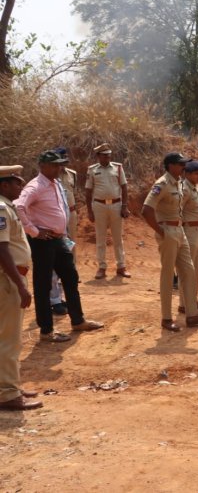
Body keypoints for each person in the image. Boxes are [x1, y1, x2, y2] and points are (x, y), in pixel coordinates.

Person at [16, 150, 103, 342]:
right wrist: (34, 231)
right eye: (55, 165)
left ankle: (78, 321)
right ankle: (46, 330)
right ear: (43, 166)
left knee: (71, 278)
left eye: (60, 164)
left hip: (58, 239)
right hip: (42, 241)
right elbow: (18, 206)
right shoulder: (36, 186)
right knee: (43, 284)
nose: (59, 168)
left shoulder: (55, 183)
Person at [142, 153, 198, 331]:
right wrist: (161, 231)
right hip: (168, 231)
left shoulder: (179, 183)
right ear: (170, 165)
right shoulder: (162, 184)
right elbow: (146, 210)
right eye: (180, 164)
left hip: (180, 231)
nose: (183, 167)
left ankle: (191, 314)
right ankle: (166, 319)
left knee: (188, 271)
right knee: (167, 275)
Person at [0, 165, 43, 410]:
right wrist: (20, 285)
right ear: (4, 184)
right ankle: (8, 394)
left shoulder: (7, 206)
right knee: (10, 339)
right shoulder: (2, 208)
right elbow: (2, 249)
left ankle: (10, 385)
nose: (20, 186)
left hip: (11, 277)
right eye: (16, 182)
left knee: (7, 336)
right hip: (9, 280)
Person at [85, 143, 130, 279]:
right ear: (98, 156)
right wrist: (89, 211)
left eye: (109, 155)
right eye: (104, 156)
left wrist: (124, 206)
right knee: (101, 238)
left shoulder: (117, 167)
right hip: (99, 206)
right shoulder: (92, 170)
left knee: (118, 238)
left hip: (116, 205)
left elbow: (124, 187)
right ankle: (101, 267)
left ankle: (121, 266)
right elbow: (88, 191)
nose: (107, 158)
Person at [179, 160, 198, 314]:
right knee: (187, 269)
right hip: (189, 231)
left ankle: (193, 298)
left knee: (197, 268)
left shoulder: (195, 188)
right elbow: (178, 211)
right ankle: (184, 303)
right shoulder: (184, 189)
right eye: (196, 173)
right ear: (187, 174)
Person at [50, 147, 78, 315]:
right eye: (59, 162)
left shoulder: (68, 176)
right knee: (53, 263)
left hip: (68, 217)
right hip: (54, 226)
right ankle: (54, 300)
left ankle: (59, 294)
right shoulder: (45, 182)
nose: (62, 165)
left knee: (68, 250)